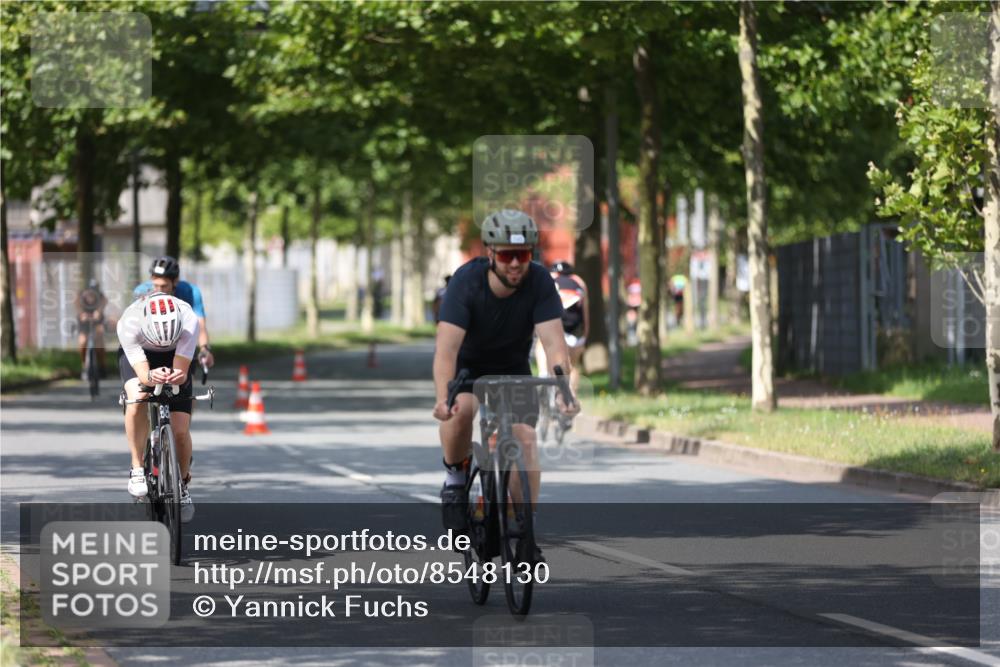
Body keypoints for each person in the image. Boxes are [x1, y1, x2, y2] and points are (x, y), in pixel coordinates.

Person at [432, 209, 578, 564]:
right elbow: (446, 350)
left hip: (513, 368)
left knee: (525, 438)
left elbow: (555, 345)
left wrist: (563, 388)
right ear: (490, 254)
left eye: (523, 255)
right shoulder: (466, 283)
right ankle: (455, 481)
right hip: (469, 368)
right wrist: (442, 398)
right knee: (461, 412)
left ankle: (524, 529)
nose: (516, 264)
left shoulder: (540, 282)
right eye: (508, 255)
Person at [117, 292, 200, 522]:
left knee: (180, 430)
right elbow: (143, 374)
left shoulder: (189, 321)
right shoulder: (129, 323)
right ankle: (136, 466)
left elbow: (182, 373)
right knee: (136, 400)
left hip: (176, 357)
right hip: (141, 358)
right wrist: (151, 376)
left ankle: (182, 486)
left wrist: (175, 376)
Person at [134, 256, 214, 370]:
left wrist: (204, 349)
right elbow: (136, 327)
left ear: (175, 281)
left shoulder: (191, 292)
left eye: (164, 286)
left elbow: (200, 325)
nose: (159, 291)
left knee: (183, 380)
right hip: (149, 344)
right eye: (156, 285)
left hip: (178, 342)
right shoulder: (141, 292)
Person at [534, 260, 588, 395]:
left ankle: (544, 375)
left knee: (542, 344)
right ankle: (571, 396)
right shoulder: (579, 282)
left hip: (559, 325)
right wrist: (586, 332)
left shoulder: (551, 280)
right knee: (573, 366)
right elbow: (585, 311)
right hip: (577, 329)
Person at [75, 278, 108, 379]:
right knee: (82, 341)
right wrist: (81, 314)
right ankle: (84, 365)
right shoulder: (81, 295)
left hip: (97, 320)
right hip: (84, 321)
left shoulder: (101, 296)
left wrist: (99, 311)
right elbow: (76, 304)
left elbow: (104, 302)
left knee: (99, 340)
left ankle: (102, 366)